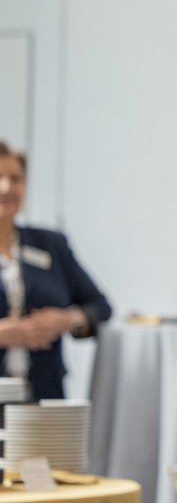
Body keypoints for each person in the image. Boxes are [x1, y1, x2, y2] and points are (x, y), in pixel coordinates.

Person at [0, 141, 112, 400]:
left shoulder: (50, 245)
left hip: (43, 395)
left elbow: (100, 306)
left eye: (15, 178)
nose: (7, 187)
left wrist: (68, 320)